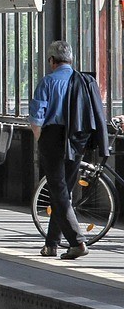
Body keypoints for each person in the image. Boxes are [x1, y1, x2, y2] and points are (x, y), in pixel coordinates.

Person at [29, 40, 110, 260]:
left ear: (52, 60)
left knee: (59, 191)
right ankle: (51, 244)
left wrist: (41, 141)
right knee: (63, 191)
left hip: (53, 137)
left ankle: (77, 242)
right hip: (78, 139)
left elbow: (36, 119)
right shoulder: (83, 81)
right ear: (71, 60)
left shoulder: (47, 82)